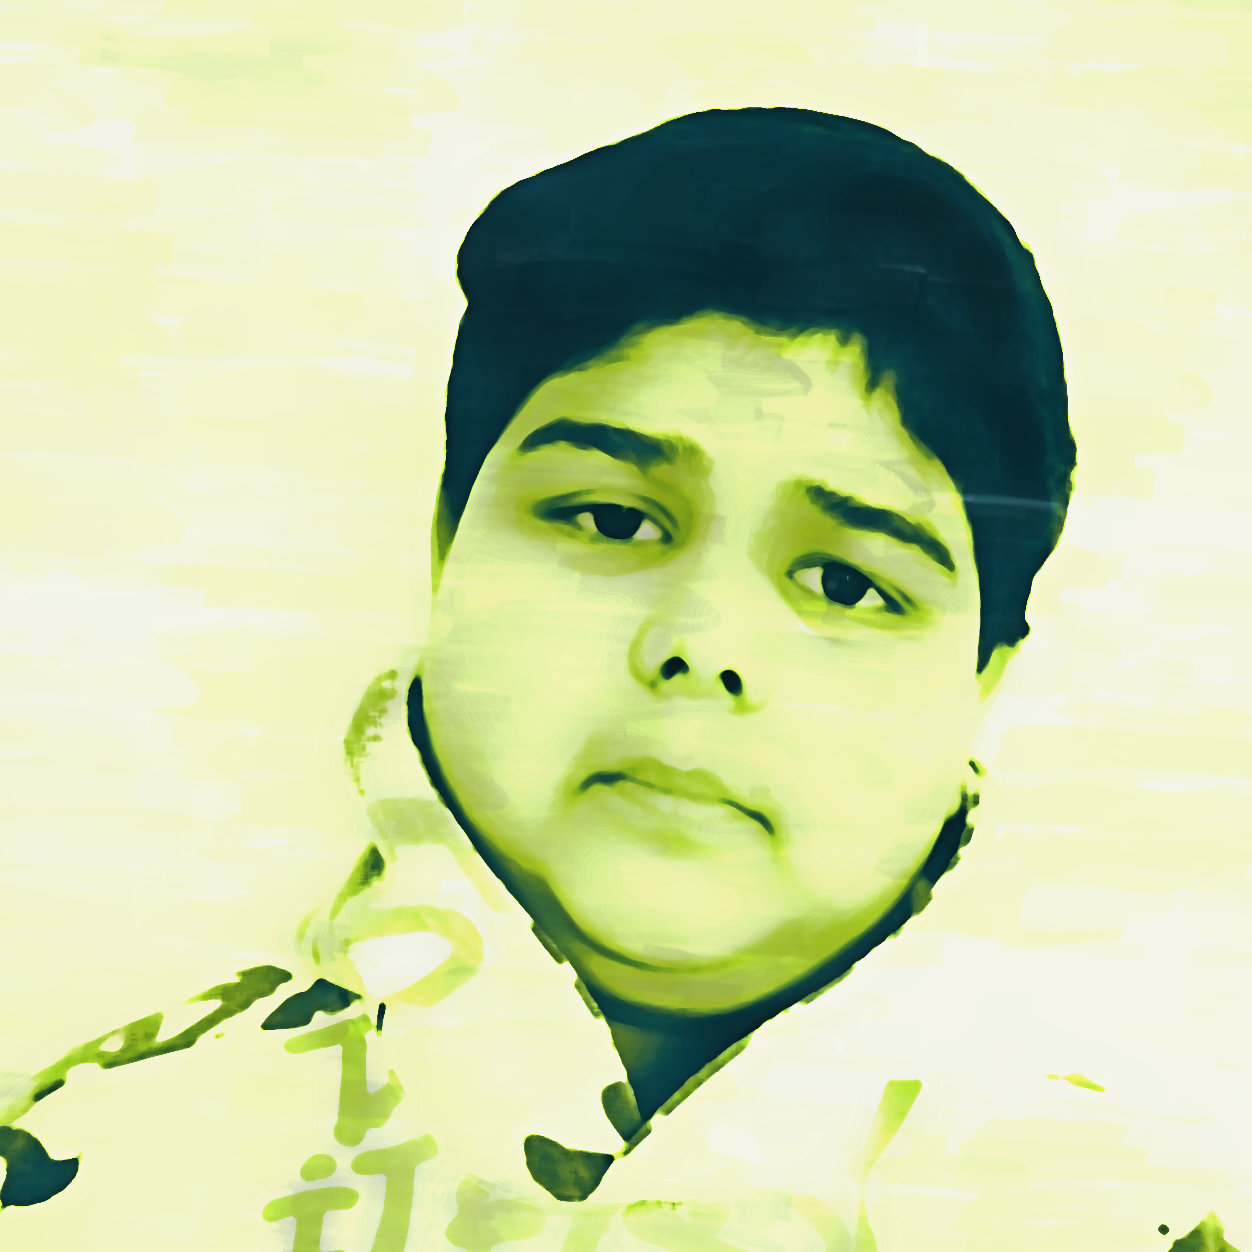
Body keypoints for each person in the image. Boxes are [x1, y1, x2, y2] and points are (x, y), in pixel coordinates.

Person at [0, 107, 1241, 1251]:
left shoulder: (1120, 1220)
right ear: (445, 542)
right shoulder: (92, 1173)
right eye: (609, 519)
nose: (703, 642)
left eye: (846, 583)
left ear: (982, 678)